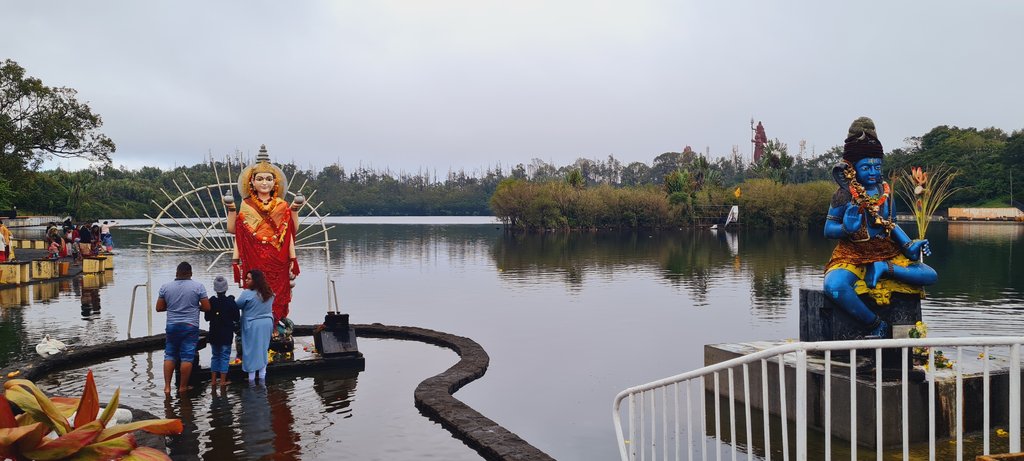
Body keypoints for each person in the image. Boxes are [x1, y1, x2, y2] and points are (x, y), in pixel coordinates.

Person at [823, 117, 938, 337]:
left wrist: (910, 246)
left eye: (877, 166)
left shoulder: (885, 193)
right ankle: (876, 325)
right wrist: (846, 229)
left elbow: (890, 225)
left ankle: (885, 269)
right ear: (851, 169)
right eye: (866, 167)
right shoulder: (843, 195)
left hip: (886, 252)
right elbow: (828, 229)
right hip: (853, 254)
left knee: (929, 275)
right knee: (834, 287)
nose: (873, 172)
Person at [223, 145, 303, 326]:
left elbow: (292, 230)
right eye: (259, 179)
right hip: (254, 255)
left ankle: (277, 323)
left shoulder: (282, 205)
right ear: (251, 182)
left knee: (279, 291)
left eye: (268, 179)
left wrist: (295, 209)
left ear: (276, 183)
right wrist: (231, 209)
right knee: (257, 289)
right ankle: (257, 321)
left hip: (278, 255)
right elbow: (233, 229)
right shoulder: (246, 204)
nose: (264, 183)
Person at [155, 261, 211, 394]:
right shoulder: (198, 287)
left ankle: (167, 387)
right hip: (190, 326)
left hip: (172, 325)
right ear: (190, 273)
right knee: (187, 357)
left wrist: (173, 306)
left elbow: (159, 307)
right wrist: (196, 306)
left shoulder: (165, 287)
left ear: (176, 273)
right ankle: (182, 387)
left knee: (169, 355)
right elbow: (207, 307)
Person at [237, 269, 274, 384]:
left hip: (252, 325)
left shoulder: (247, 294)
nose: (246, 280)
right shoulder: (269, 293)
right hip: (267, 323)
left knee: (251, 352)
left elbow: (237, 305)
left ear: (255, 281)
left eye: (248, 278)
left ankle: (251, 381)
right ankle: (262, 378)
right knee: (263, 349)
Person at [206, 275, 240, 388]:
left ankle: (213, 381)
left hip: (214, 333)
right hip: (226, 334)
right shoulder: (230, 302)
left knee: (215, 356)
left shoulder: (211, 301)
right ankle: (223, 381)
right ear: (226, 288)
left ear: (215, 289)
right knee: (225, 356)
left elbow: (207, 318)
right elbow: (237, 318)